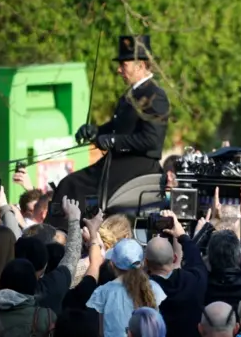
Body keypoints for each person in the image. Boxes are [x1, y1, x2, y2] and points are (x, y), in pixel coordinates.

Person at [46, 35, 170, 230]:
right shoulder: (132, 94)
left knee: (71, 186)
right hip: (117, 162)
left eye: (124, 64)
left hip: (137, 166)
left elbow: (151, 140)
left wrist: (111, 140)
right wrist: (94, 132)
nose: (119, 69)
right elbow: (116, 128)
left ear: (140, 66)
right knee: (68, 184)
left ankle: (62, 237)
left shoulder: (155, 95)